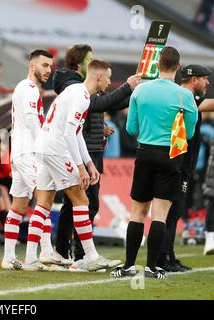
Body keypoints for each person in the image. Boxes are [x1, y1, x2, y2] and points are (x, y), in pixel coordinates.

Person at [24, 60, 121, 271]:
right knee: (81, 199)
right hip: (55, 149)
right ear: (98, 77)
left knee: (43, 203)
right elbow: (69, 133)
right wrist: (80, 167)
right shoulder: (81, 96)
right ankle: (91, 256)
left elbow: (76, 133)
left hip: (43, 146)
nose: (110, 82)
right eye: (109, 77)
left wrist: (88, 163)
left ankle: (31, 258)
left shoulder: (77, 92)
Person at [111, 47, 198, 279]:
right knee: (159, 214)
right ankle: (151, 267)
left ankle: (128, 265)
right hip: (171, 156)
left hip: (145, 153)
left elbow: (131, 129)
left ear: (158, 64)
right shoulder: (184, 95)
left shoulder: (141, 91)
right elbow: (188, 133)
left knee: (138, 212)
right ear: (178, 67)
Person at [52, 44, 140, 270]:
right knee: (82, 203)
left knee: (72, 203)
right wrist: (127, 88)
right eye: (90, 59)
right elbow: (97, 105)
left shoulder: (80, 86)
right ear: (81, 64)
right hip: (76, 148)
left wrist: (133, 92)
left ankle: (62, 253)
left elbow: (101, 106)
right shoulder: (74, 85)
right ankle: (79, 254)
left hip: (83, 146)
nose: (93, 62)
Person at [1, 49, 69, 270]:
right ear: (32, 66)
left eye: (50, 66)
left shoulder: (29, 89)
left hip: (21, 153)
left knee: (19, 205)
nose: (49, 70)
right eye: (44, 65)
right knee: (44, 199)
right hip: (29, 153)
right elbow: (31, 122)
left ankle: (9, 256)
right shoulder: (27, 88)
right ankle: (39, 253)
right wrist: (45, 147)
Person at [158, 64, 212, 271]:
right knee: (171, 211)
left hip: (181, 164)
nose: (207, 82)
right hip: (177, 163)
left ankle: (169, 256)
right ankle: (163, 258)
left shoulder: (184, 97)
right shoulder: (184, 97)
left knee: (174, 211)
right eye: (205, 78)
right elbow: (208, 105)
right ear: (194, 79)